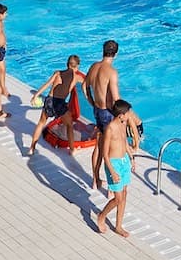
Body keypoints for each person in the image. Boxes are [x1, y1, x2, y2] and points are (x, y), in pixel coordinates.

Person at [92, 100, 141, 238]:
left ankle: (118, 226)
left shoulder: (123, 124)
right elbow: (105, 154)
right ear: (120, 115)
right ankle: (101, 216)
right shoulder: (110, 128)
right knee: (118, 198)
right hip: (114, 164)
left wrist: (131, 158)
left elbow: (124, 142)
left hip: (124, 160)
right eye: (127, 113)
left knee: (124, 194)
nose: (129, 115)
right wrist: (112, 172)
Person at [29, 55, 88, 156]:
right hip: (60, 103)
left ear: (67, 64)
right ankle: (72, 150)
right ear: (77, 66)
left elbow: (46, 85)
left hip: (50, 100)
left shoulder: (57, 73)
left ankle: (32, 148)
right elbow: (87, 84)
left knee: (41, 123)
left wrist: (36, 95)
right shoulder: (77, 77)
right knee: (69, 125)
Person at [86, 41, 123, 188]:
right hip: (108, 113)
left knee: (99, 147)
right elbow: (116, 99)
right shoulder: (112, 72)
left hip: (97, 110)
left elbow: (84, 86)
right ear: (116, 53)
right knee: (110, 149)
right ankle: (111, 188)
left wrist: (91, 102)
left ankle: (95, 179)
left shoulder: (94, 66)